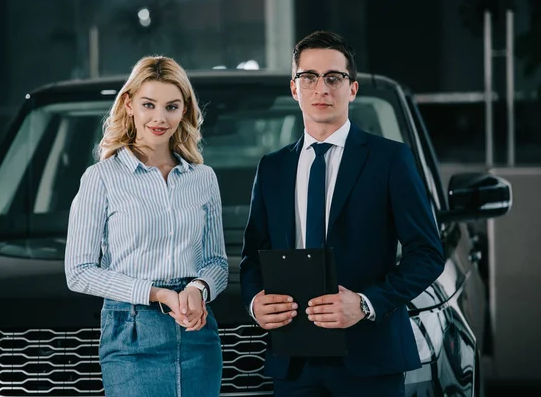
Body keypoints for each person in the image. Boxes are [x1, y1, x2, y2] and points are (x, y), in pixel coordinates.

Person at [240, 31, 445, 397]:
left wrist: (366, 304)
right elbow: (254, 255)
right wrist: (256, 302)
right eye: (309, 77)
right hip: (293, 360)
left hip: (370, 357)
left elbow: (427, 254)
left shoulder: (390, 160)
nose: (322, 89)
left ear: (351, 89)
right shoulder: (272, 168)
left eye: (334, 78)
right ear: (294, 88)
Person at [65, 56, 228, 397]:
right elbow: (78, 272)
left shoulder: (203, 178)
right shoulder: (102, 178)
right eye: (149, 104)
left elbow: (217, 263)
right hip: (131, 331)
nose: (160, 118)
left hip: (197, 332)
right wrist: (157, 294)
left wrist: (198, 288)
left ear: (184, 110)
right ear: (129, 104)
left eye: (171, 106)